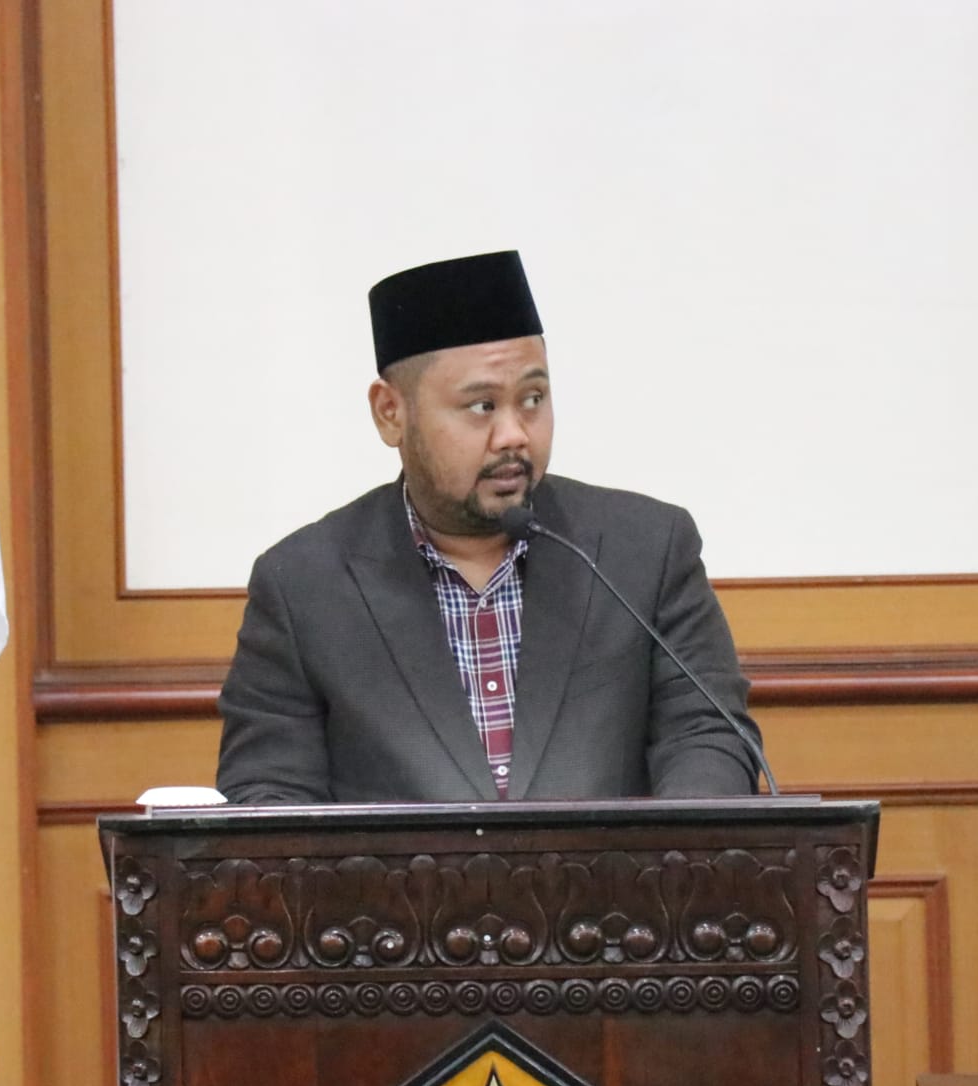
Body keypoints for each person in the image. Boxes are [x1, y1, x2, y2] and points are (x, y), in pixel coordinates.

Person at [216, 250, 760, 804]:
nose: (514, 434)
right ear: (390, 412)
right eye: (481, 406)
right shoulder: (303, 585)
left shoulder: (646, 549)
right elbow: (268, 791)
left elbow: (707, 737)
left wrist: (670, 848)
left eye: (533, 399)